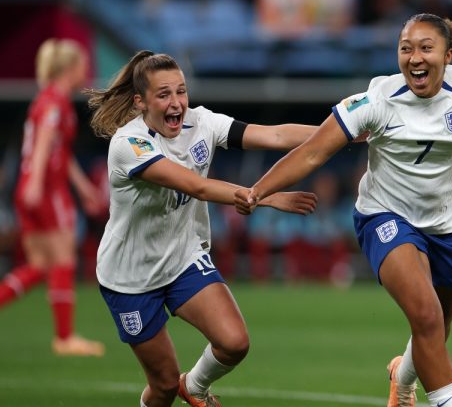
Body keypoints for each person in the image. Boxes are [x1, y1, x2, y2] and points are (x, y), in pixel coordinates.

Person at [235, 13, 452, 407]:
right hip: (386, 216)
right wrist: (258, 190)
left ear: (448, 55)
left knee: (437, 327)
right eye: (405, 48)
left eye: (425, 48)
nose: (414, 58)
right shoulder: (377, 98)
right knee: (427, 315)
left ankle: (402, 381)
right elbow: (315, 150)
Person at [85, 50, 318, 407]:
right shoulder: (128, 145)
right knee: (162, 386)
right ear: (140, 102)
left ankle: (193, 387)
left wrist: (341, 132)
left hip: (183, 259)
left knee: (234, 342)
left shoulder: (202, 123)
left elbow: (273, 135)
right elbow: (194, 186)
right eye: (164, 94)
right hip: (129, 279)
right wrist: (264, 196)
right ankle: (175, 389)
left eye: (181, 91)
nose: (176, 102)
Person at [0, 39, 106, 356]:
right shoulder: (54, 103)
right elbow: (45, 143)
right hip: (46, 190)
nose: (86, 71)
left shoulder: (45, 100)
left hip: (35, 188)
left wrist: (84, 187)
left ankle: (63, 335)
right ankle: (65, 337)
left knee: (38, 265)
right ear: (69, 69)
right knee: (63, 260)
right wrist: (34, 184)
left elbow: (59, 149)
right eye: (82, 66)